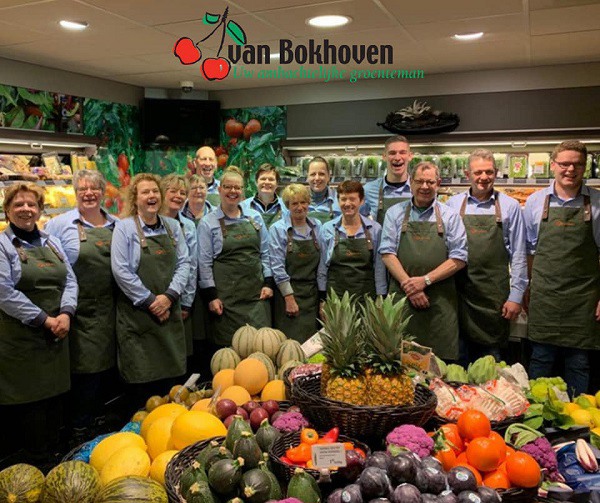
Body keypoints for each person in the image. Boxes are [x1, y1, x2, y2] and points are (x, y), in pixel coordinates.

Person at [0, 183, 77, 467]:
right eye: (18, 204)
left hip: (56, 334)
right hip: (22, 338)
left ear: (40, 210)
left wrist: (66, 313)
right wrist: (45, 320)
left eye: (31, 204)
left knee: (55, 401)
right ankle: (35, 463)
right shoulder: (2, 245)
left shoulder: (51, 242)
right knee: (31, 407)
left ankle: (55, 458)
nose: (26, 209)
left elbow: (70, 280)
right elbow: (4, 292)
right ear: (7, 210)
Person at [44, 170, 119, 441]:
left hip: (113, 307)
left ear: (102, 192)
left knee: (109, 367)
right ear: (75, 193)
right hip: (78, 310)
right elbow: (48, 260)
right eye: (82, 189)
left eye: (94, 188)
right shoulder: (59, 225)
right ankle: (78, 428)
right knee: (85, 370)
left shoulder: (117, 225)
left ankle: (99, 421)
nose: (89, 193)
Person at [524, 140, 600, 396]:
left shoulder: (597, 202)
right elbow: (529, 251)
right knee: (540, 357)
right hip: (545, 295)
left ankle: (576, 415)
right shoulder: (535, 202)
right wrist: (526, 289)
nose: (571, 170)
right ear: (553, 165)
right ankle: (535, 414)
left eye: (577, 164)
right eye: (565, 163)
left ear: (585, 167)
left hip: (583, 298)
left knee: (579, 362)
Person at [111, 173, 190, 408]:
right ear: (135, 199)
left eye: (155, 191)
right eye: (145, 192)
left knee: (170, 385)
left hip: (169, 314)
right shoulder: (124, 228)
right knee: (141, 385)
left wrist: (169, 297)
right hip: (139, 318)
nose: (151, 196)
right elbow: (121, 270)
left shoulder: (173, 227)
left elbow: (184, 263)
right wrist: (151, 302)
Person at [446, 149, 528, 364]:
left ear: (496, 173)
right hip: (459, 296)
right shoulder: (452, 205)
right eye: (478, 172)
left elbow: (519, 254)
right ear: (467, 174)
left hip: (493, 298)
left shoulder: (510, 206)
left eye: (489, 172)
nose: (484, 177)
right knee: (456, 364)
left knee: (490, 365)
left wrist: (516, 296)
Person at [380, 162, 467, 360]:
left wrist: (425, 281)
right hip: (402, 299)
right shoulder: (394, 213)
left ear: (438, 183)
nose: (425, 187)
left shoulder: (450, 216)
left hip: (439, 303)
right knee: (400, 363)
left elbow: (459, 258)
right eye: (419, 181)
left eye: (430, 182)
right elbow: (387, 253)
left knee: (440, 366)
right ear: (411, 182)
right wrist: (410, 286)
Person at [198, 166, 273, 347]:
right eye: (228, 187)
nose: (233, 191)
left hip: (257, 300)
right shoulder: (208, 223)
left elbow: (265, 253)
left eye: (237, 187)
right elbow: (204, 264)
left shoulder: (255, 218)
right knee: (228, 353)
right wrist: (211, 297)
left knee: (261, 349)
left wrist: (268, 283)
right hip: (225, 303)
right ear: (219, 189)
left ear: (242, 190)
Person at [317, 180, 386, 302]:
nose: (347, 203)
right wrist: (322, 297)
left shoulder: (375, 229)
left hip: (366, 299)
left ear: (362, 201)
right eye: (343, 199)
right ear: (338, 201)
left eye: (352, 199)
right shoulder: (327, 229)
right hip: (335, 299)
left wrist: (380, 296)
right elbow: (323, 266)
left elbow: (379, 267)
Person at [269, 184, 321, 342]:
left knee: (312, 346)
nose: (300, 207)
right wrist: (289, 298)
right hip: (288, 295)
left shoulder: (317, 227)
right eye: (294, 203)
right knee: (289, 346)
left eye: (303, 202)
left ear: (308, 203)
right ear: (287, 206)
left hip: (312, 296)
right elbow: (277, 267)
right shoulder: (278, 229)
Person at [159, 174, 198, 361]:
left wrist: (187, 301)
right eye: (173, 191)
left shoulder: (188, 226)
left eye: (183, 193)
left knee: (178, 354)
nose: (178, 196)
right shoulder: (148, 223)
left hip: (179, 299)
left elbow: (192, 265)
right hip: (152, 297)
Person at [362, 135, 413, 224]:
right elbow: (358, 220)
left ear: (410, 156)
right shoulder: (368, 190)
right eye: (392, 153)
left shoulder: (419, 189)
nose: (397, 158)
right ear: (384, 156)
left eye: (402, 152)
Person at [241, 163, 288, 228]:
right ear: (256, 182)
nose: (267, 182)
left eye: (271, 179)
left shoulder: (286, 207)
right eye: (263, 179)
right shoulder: (243, 207)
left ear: (277, 184)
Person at [306, 156, 341, 223]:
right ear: (307, 177)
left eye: (321, 174)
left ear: (328, 176)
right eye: (313, 174)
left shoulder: (339, 199)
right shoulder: (297, 200)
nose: (317, 178)